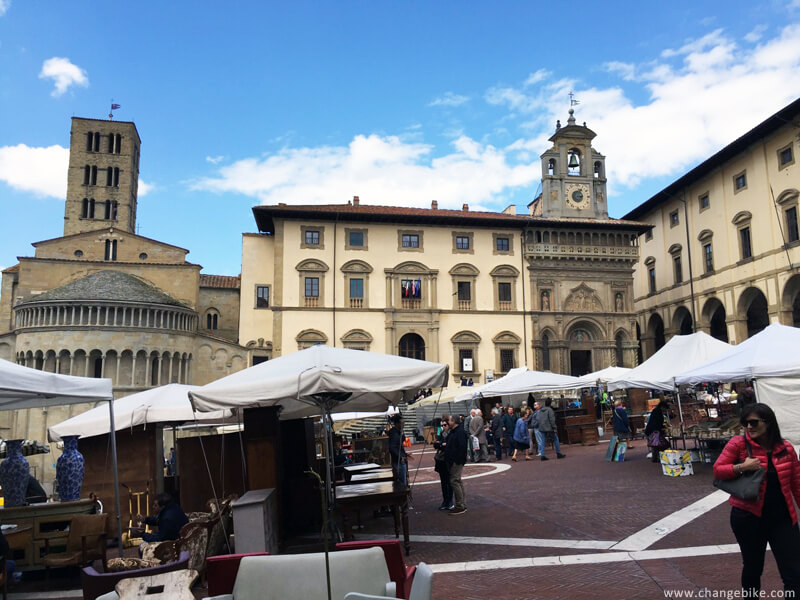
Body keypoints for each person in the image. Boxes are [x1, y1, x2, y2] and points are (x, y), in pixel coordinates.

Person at [713, 403, 800, 597]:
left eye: (753, 422)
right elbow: (718, 470)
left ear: (768, 423)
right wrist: (741, 467)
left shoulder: (786, 448)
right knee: (753, 567)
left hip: (783, 518)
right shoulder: (738, 444)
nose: (748, 427)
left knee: (794, 570)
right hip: (748, 517)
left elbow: (797, 483)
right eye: (745, 423)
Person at [443, 414, 468, 515]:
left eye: (449, 421)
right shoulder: (454, 431)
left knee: (455, 481)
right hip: (455, 460)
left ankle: (460, 505)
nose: (448, 422)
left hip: (456, 460)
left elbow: (461, 447)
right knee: (457, 481)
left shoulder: (459, 432)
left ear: (454, 421)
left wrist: (457, 460)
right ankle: (462, 503)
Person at [433, 414, 453, 510]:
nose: (443, 427)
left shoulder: (451, 434)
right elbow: (436, 444)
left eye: (445, 425)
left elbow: (448, 446)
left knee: (449, 482)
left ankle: (450, 501)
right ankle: (445, 500)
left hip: (448, 460)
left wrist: (441, 445)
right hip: (441, 461)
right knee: (443, 482)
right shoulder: (441, 433)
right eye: (442, 425)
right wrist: (442, 444)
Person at [386, 413, 410, 487]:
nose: (403, 425)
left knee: (403, 481)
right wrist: (401, 457)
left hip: (399, 460)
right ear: (397, 424)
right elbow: (392, 448)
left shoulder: (397, 432)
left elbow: (401, 441)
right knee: (402, 484)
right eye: (402, 423)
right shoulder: (394, 434)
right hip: (398, 462)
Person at [645, 397, 670, 462]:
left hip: (651, 430)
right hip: (654, 430)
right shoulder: (658, 412)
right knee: (658, 444)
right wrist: (662, 428)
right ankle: (658, 458)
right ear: (662, 407)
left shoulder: (656, 411)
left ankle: (655, 458)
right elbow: (657, 422)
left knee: (655, 445)